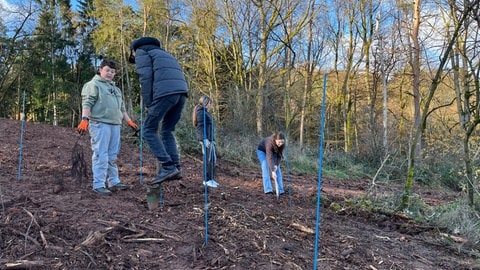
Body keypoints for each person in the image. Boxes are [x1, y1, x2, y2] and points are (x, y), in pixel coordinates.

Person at [128, 37, 188, 185]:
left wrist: (149, 103)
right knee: (167, 131)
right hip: (181, 93)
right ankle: (175, 167)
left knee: (148, 129)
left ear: (134, 50)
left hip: (164, 93)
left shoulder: (142, 52)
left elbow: (145, 77)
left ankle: (167, 167)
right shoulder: (165, 54)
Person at [77, 59, 139, 196]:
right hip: (100, 123)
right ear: (100, 69)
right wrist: (84, 119)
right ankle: (98, 184)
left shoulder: (115, 89)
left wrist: (129, 121)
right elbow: (87, 102)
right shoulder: (93, 85)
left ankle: (114, 181)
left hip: (115, 124)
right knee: (101, 154)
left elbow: (121, 108)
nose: (110, 73)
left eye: (112, 71)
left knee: (112, 155)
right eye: (107, 70)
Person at [192, 95, 218, 188]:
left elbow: (210, 127)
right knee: (208, 160)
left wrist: (213, 139)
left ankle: (211, 179)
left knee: (213, 160)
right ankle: (206, 180)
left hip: (210, 140)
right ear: (206, 103)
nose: (211, 105)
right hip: (206, 140)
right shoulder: (201, 113)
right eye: (210, 103)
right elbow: (201, 127)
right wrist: (204, 139)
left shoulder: (205, 112)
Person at [256, 131, 286, 196]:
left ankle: (280, 190)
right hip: (262, 151)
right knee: (265, 166)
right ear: (275, 140)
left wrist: (276, 165)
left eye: (282, 142)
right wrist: (272, 171)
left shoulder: (282, 144)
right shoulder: (269, 143)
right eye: (279, 142)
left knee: (277, 169)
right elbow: (269, 157)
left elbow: (279, 156)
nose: (280, 144)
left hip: (274, 152)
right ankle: (268, 190)